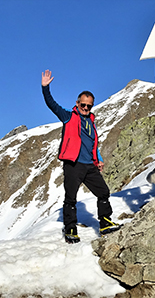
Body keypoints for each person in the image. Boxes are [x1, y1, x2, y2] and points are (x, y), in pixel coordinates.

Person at [41, 69, 120, 243]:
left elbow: (92, 143)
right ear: (77, 103)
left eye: (89, 106)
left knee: (103, 192)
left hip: (89, 166)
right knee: (71, 197)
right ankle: (70, 229)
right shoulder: (68, 117)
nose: (85, 108)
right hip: (73, 164)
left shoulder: (91, 122)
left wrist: (98, 159)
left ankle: (105, 223)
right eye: (83, 105)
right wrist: (45, 88)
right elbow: (52, 104)